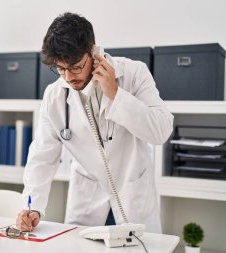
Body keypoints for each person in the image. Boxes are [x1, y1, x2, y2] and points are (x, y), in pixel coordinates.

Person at [15, 12, 173, 233]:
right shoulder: (54, 96)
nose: (69, 77)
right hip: (86, 203)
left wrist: (116, 95)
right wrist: (31, 207)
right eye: (61, 69)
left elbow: (161, 131)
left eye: (76, 66)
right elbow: (41, 157)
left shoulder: (133, 74)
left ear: (93, 51)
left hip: (133, 197)